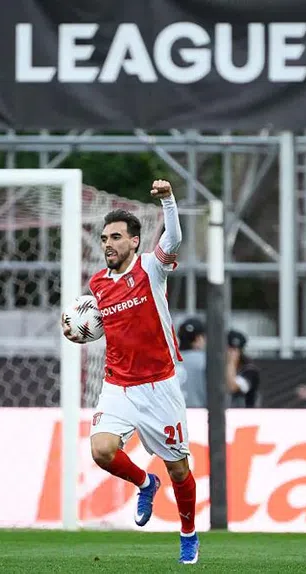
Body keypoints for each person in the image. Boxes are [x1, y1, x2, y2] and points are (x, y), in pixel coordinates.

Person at [63, 180, 199, 564]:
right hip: (118, 385)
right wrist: (77, 328)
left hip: (160, 386)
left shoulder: (152, 268)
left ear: (134, 242)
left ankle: (188, 532)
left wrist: (169, 200)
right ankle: (144, 482)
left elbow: (173, 236)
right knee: (101, 450)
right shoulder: (97, 285)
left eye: (117, 237)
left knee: (179, 468)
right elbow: (98, 323)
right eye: (105, 237)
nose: (108, 243)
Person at [177, 317, 207, 408]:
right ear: (198, 339)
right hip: (199, 413)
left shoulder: (168, 359)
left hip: (173, 417)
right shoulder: (206, 360)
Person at [226, 330, 259, 408]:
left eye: (236, 350)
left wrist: (231, 363)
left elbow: (232, 387)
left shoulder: (250, 370)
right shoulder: (217, 366)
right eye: (230, 349)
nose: (233, 353)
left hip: (243, 415)